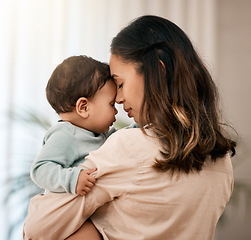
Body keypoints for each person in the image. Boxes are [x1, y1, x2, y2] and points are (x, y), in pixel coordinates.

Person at [23, 15, 236, 240]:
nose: (118, 98)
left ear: (159, 71)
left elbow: (37, 229)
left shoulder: (129, 147)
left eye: (121, 83)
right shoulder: (223, 163)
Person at [24, 55, 118, 239]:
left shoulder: (100, 133)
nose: (116, 111)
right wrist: (72, 179)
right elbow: (40, 169)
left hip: (87, 212)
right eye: (111, 104)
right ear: (83, 107)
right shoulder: (65, 134)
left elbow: (122, 139)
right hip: (64, 214)